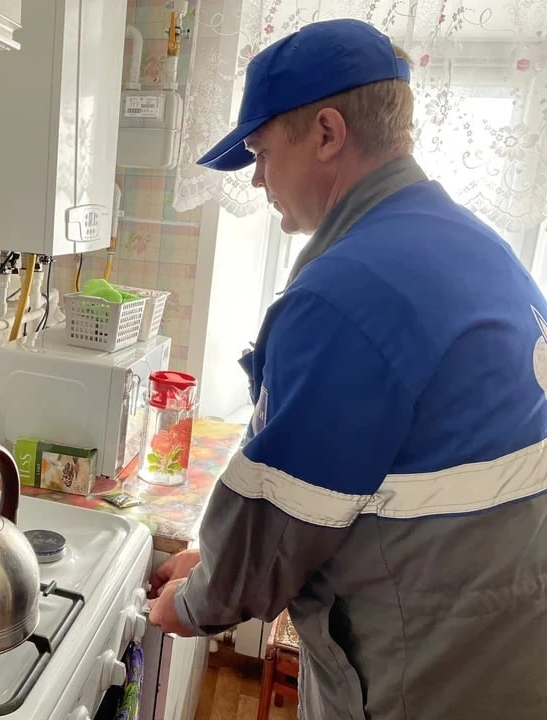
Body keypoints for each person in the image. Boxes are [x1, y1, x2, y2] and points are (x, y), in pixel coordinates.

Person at [146, 17, 547, 720]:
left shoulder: (347, 293)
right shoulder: (472, 246)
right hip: (505, 645)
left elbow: (275, 527)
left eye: (261, 153)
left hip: (425, 674)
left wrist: (190, 602)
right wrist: (212, 565)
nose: (259, 180)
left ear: (328, 134)